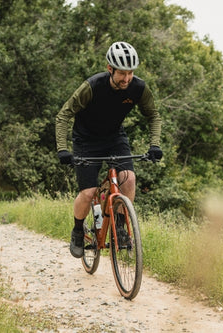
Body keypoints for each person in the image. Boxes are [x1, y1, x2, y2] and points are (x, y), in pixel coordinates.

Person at [55, 41, 162, 258]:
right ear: (109, 68)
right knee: (89, 192)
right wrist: (62, 149)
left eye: (130, 73)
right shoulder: (92, 86)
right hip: (86, 140)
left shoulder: (138, 87)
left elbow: (153, 115)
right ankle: (78, 230)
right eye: (122, 73)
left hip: (114, 137)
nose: (127, 79)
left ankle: (120, 227)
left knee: (128, 179)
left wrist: (155, 145)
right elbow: (64, 114)